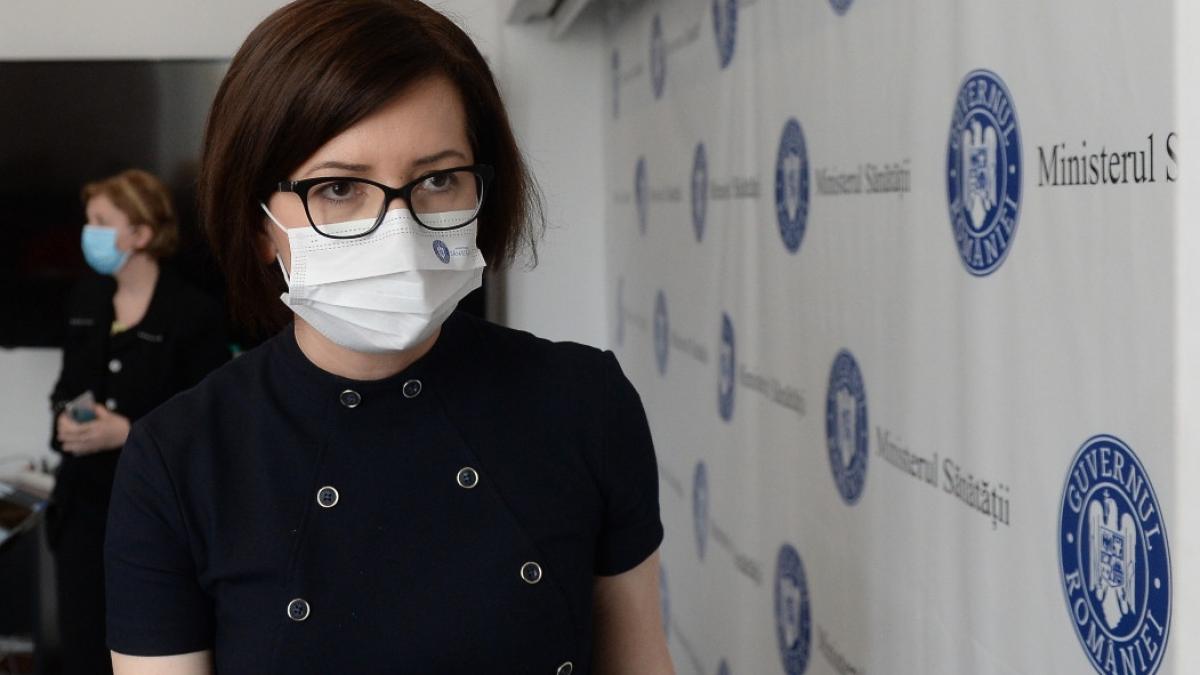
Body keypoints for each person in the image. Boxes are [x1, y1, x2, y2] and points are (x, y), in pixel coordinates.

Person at [103, 2, 673, 674]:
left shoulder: (584, 404)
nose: (398, 230)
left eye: (438, 179)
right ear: (258, 223)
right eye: (340, 188)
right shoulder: (178, 461)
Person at [46, 168, 229, 674]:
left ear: (141, 233)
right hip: (82, 514)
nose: (89, 233)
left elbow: (209, 425)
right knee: (82, 648)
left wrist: (126, 433)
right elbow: (66, 386)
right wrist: (65, 419)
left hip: (160, 516)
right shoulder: (86, 299)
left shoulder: (194, 314)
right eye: (88, 220)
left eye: (101, 221)